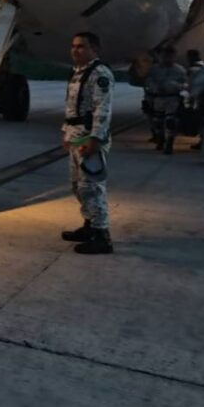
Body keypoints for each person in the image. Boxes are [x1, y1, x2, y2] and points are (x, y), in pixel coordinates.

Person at [60, 32, 115, 255]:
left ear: (94, 49)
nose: (75, 50)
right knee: (78, 185)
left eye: (81, 47)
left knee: (91, 186)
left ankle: (102, 234)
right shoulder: (76, 73)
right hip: (76, 135)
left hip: (89, 137)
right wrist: (66, 132)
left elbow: (103, 108)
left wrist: (95, 138)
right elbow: (71, 107)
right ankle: (89, 224)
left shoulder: (99, 73)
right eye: (73, 46)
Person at [145, 47, 188, 154]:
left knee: (170, 121)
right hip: (158, 98)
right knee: (157, 121)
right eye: (165, 56)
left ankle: (169, 142)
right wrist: (153, 89)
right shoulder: (155, 69)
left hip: (172, 98)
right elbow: (149, 81)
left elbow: (186, 84)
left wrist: (176, 86)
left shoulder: (180, 70)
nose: (167, 59)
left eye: (170, 56)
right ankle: (160, 138)